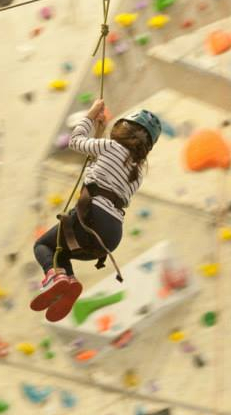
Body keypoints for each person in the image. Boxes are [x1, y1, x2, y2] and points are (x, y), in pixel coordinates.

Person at [30, 99, 162, 322]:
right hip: (109, 238)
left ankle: (57, 278)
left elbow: (75, 141)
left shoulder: (111, 147)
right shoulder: (138, 173)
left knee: (42, 245)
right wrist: (98, 134)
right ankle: (67, 281)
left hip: (90, 219)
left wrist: (90, 116)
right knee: (59, 250)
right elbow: (98, 170)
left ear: (124, 128)